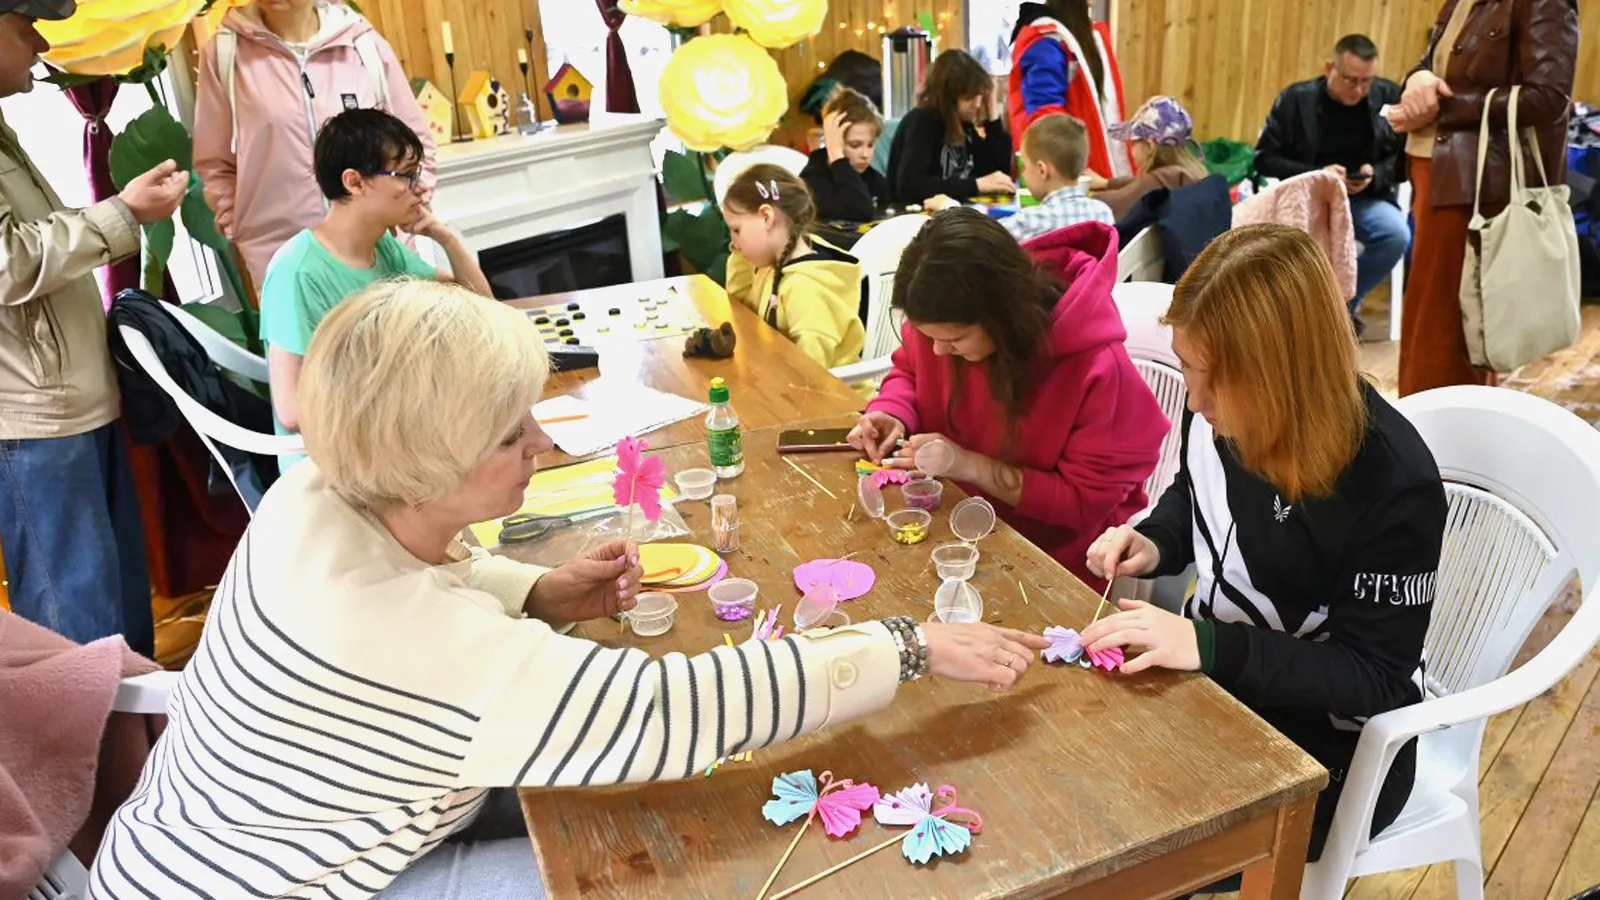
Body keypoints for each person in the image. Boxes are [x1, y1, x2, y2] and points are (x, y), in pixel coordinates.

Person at [87, 279, 1050, 900]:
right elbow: (674, 711)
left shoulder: (314, 493)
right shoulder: (424, 647)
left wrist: (539, 592)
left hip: (197, 847)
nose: (543, 445)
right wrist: (906, 646)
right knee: (662, 874)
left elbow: (435, 572)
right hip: (281, 887)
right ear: (426, 470)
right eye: (512, 434)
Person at [1081, 224, 1446, 870]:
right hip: (1212, 689)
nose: (1194, 400)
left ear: (1283, 377)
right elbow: (1196, 490)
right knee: (1079, 771)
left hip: (1330, 750)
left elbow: (1372, 679)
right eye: (1186, 368)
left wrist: (1209, 646)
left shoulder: (1394, 484)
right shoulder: (1222, 406)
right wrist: (1156, 539)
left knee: (1126, 850)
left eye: (1211, 381)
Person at [0, 1, 190, 656]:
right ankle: (96, 730)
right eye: (24, 24)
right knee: (76, 626)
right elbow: (7, 263)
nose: (39, 42)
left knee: (118, 614)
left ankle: (134, 726)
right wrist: (122, 214)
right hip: (37, 423)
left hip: (75, 405)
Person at [848, 208, 1168, 591]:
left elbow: (1080, 504)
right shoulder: (942, 317)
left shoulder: (1095, 369)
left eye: (954, 340)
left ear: (1003, 316)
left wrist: (968, 465)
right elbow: (910, 370)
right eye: (928, 336)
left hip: (1050, 560)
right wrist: (892, 411)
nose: (937, 351)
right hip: (951, 517)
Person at [260, 108, 488, 475]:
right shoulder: (296, 271)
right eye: (406, 175)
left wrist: (446, 239)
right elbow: (291, 410)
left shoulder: (383, 248)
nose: (420, 187)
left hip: (389, 446)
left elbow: (481, 309)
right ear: (354, 182)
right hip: (334, 468)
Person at [1386, 0, 1578, 395]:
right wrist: (1417, 78)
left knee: (1447, 331)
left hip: (1474, 185)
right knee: (1438, 322)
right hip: (1438, 174)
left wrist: (1447, 107)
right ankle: (1443, 424)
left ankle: (1434, 428)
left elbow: (1549, 98)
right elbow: (1437, 63)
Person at [195, 0, 437, 292]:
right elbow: (214, 161)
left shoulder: (361, 44)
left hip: (379, 247)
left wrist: (408, 203)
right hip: (281, 256)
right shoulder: (225, 52)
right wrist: (239, 223)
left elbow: (416, 142)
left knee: (400, 323)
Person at [1254, 34, 1408, 326]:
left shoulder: (1388, 96)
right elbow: (1264, 159)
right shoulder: (1295, 100)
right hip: (1307, 199)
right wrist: (1318, 173)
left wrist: (1376, 174)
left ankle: (1338, 307)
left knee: (1396, 235)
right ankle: (1298, 317)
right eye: (1350, 80)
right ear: (1329, 68)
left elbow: (1405, 157)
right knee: (1288, 249)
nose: (1359, 89)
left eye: (1366, 81)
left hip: (1364, 198)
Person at [723, 164, 865, 370]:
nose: (733, 242)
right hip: (784, 379)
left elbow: (811, 375)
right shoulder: (771, 268)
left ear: (766, 217)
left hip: (829, 389)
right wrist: (740, 253)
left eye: (736, 230)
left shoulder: (806, 290)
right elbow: (741, 313)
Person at [1006, 1, 1129, 179]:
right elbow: (1047, 120)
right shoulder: (1047, 42)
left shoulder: (1081, 35)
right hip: (1061, 173)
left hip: (1084, 167)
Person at [886, 49, 1016, 205]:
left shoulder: (965, 125)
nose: (977, 104)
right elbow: (910, 186)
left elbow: (998, 175)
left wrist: (992, 114)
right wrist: (975, 185)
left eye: (980, 96)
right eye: (969, 98)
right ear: (948, 98)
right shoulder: (922, 122)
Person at [1089, 95, 1209, 221]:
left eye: (1134, 143)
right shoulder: (1185, 173)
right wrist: (1106, 183)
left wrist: (1085, 196)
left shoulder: (1162, 179)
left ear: (1150, 147)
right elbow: (1138, 184)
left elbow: (1115, 204)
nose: (1132, 151)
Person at [1002, 113, 1113, 243]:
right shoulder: (1103, 213)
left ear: (1042, 170)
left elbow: (985, 237)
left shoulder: (1027, 221)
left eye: (1024, 166)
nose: (1023, 172)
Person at [800, 86, 891, 223]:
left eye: (870, 144)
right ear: (833, 141)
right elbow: (859, 210)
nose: (865, 154)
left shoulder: (874, 179)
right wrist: (838, 158)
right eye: (855, 145)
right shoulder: (812, 180)